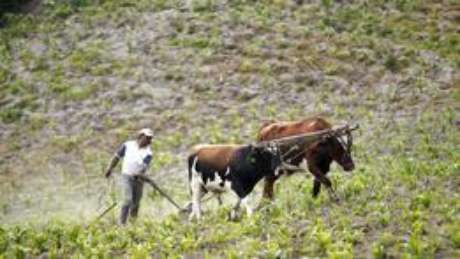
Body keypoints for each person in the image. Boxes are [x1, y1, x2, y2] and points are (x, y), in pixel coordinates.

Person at [105, 128, 153, 225]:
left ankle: (133, 224)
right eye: (146, 138)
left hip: (139, 180)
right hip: (126, 176)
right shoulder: (127, 145)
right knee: (127, 200)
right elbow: (117, 157)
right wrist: (110, 168)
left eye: (150, 139)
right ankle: (122, 223)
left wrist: (141, 175)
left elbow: (144, 167)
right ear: (140, 136)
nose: (148, 140)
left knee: (136, 203)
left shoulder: (148, 153)